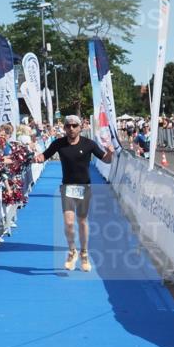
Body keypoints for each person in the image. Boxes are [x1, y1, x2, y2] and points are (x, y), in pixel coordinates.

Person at [34, 114, 113, 272]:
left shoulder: (89, 144)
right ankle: (72, 251)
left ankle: (84, 253)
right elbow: (45, 155)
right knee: (69, 223)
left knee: (82, 222)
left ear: (80, 127)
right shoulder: (59, 143)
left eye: (74, 126)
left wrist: (110, 152)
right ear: (64, 128)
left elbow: (106, 160)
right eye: (68, 126)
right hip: (67, 187)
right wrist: (37, 157)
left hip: (84, 187)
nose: (71, 128)